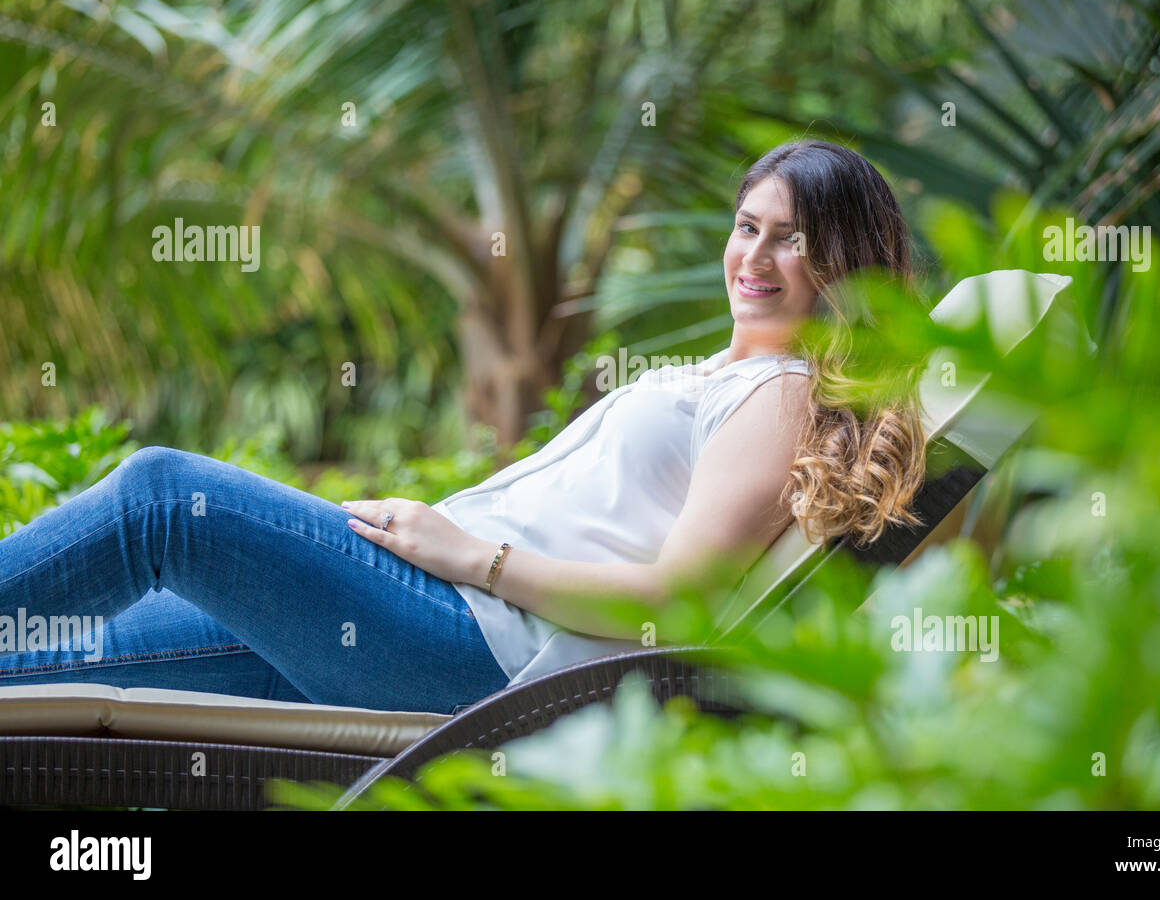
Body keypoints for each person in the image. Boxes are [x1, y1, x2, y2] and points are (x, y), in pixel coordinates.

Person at [0, 139, 927, 714]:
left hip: (472, 641)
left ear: (844, 267)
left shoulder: (782, 393)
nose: (753, 256)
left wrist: (468, 557)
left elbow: (668, 606)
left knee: (167, 498)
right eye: (745, 226)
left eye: (792, 238)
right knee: (64, 651)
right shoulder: (723, 377)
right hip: (426, 614)